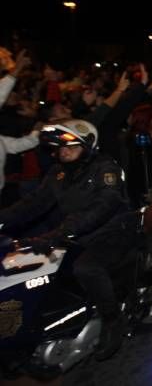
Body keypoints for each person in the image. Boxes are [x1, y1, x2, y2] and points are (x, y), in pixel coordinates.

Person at [0, 119, 136, 360]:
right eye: (61, 148)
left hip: (112, 232)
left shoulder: (106, 168)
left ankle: (113, 320)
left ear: (88, 146)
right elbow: (34, 203)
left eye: (71, 146)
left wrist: (62, 232)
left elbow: (103, 206)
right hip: (75, 233)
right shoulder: (58, 173)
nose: (64, 151)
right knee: (31, 269)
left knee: (86, 268)